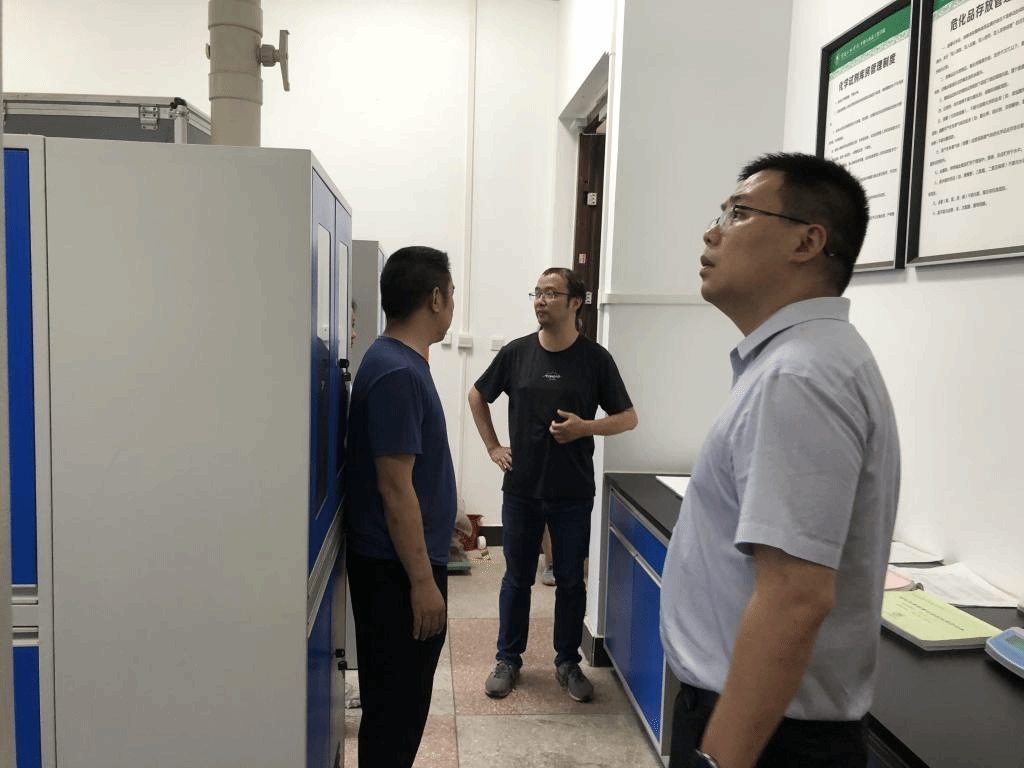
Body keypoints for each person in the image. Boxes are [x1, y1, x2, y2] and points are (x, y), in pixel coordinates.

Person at [659, 153, 900, 768]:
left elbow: (796, 597)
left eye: (738, 214)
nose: (712, 233)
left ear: (807, 242)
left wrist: (720, 759)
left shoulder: (800, 376)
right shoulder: (799, 360)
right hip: (765, 722)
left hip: (768, 739)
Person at [469, 267, 638, 702]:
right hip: (521, 489)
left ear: (575, 303)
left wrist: (585, 428)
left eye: (550, 293)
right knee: (516, 578)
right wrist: (492, 447)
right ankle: (508, 659)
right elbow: (477, 395)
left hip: (573, 492)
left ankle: (567, 662)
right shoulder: (517, 353)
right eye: (537, 293)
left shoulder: (595, 359)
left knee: (570, 580)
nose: (540, 301)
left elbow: (627, 418)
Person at [346, 246, 457, 768]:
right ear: (435, 298)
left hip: (395, 565)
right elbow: (395, 489)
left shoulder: (398, 361)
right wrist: (422, 583)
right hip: (395, 573)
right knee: (396, 715)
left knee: (396, 711)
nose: (451, 303)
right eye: (451, 294)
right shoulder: (398, 372)